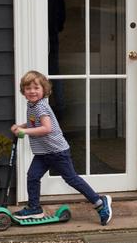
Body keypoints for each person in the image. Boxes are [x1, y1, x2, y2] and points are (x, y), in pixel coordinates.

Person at [10, 70, 112, 225]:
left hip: (57, 151)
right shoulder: (32, 105)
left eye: (36, 88)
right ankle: (34, 208)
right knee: (33, 176)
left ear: (44, 90)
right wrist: (21, 126)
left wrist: (24, 131)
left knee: (71, 179)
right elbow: (34, 124)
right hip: (43, 152)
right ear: (23, 91)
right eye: (28, 88)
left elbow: (46, 128)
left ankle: (100, 203)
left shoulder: (41, 107)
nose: (32, 91)